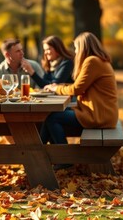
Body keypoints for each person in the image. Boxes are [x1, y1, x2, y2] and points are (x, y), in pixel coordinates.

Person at [41, 32, 118, 169]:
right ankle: (43, 154)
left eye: (76, 48)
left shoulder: (92, 61)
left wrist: (56, 89)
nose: (75, 52)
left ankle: (60, 157)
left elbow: (77, 89)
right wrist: (58, 87)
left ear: (83, 47)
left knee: (52, 118)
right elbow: (81, 86)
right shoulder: (99, 60)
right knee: (52, 115)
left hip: (98, 116)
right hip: (101, 113)